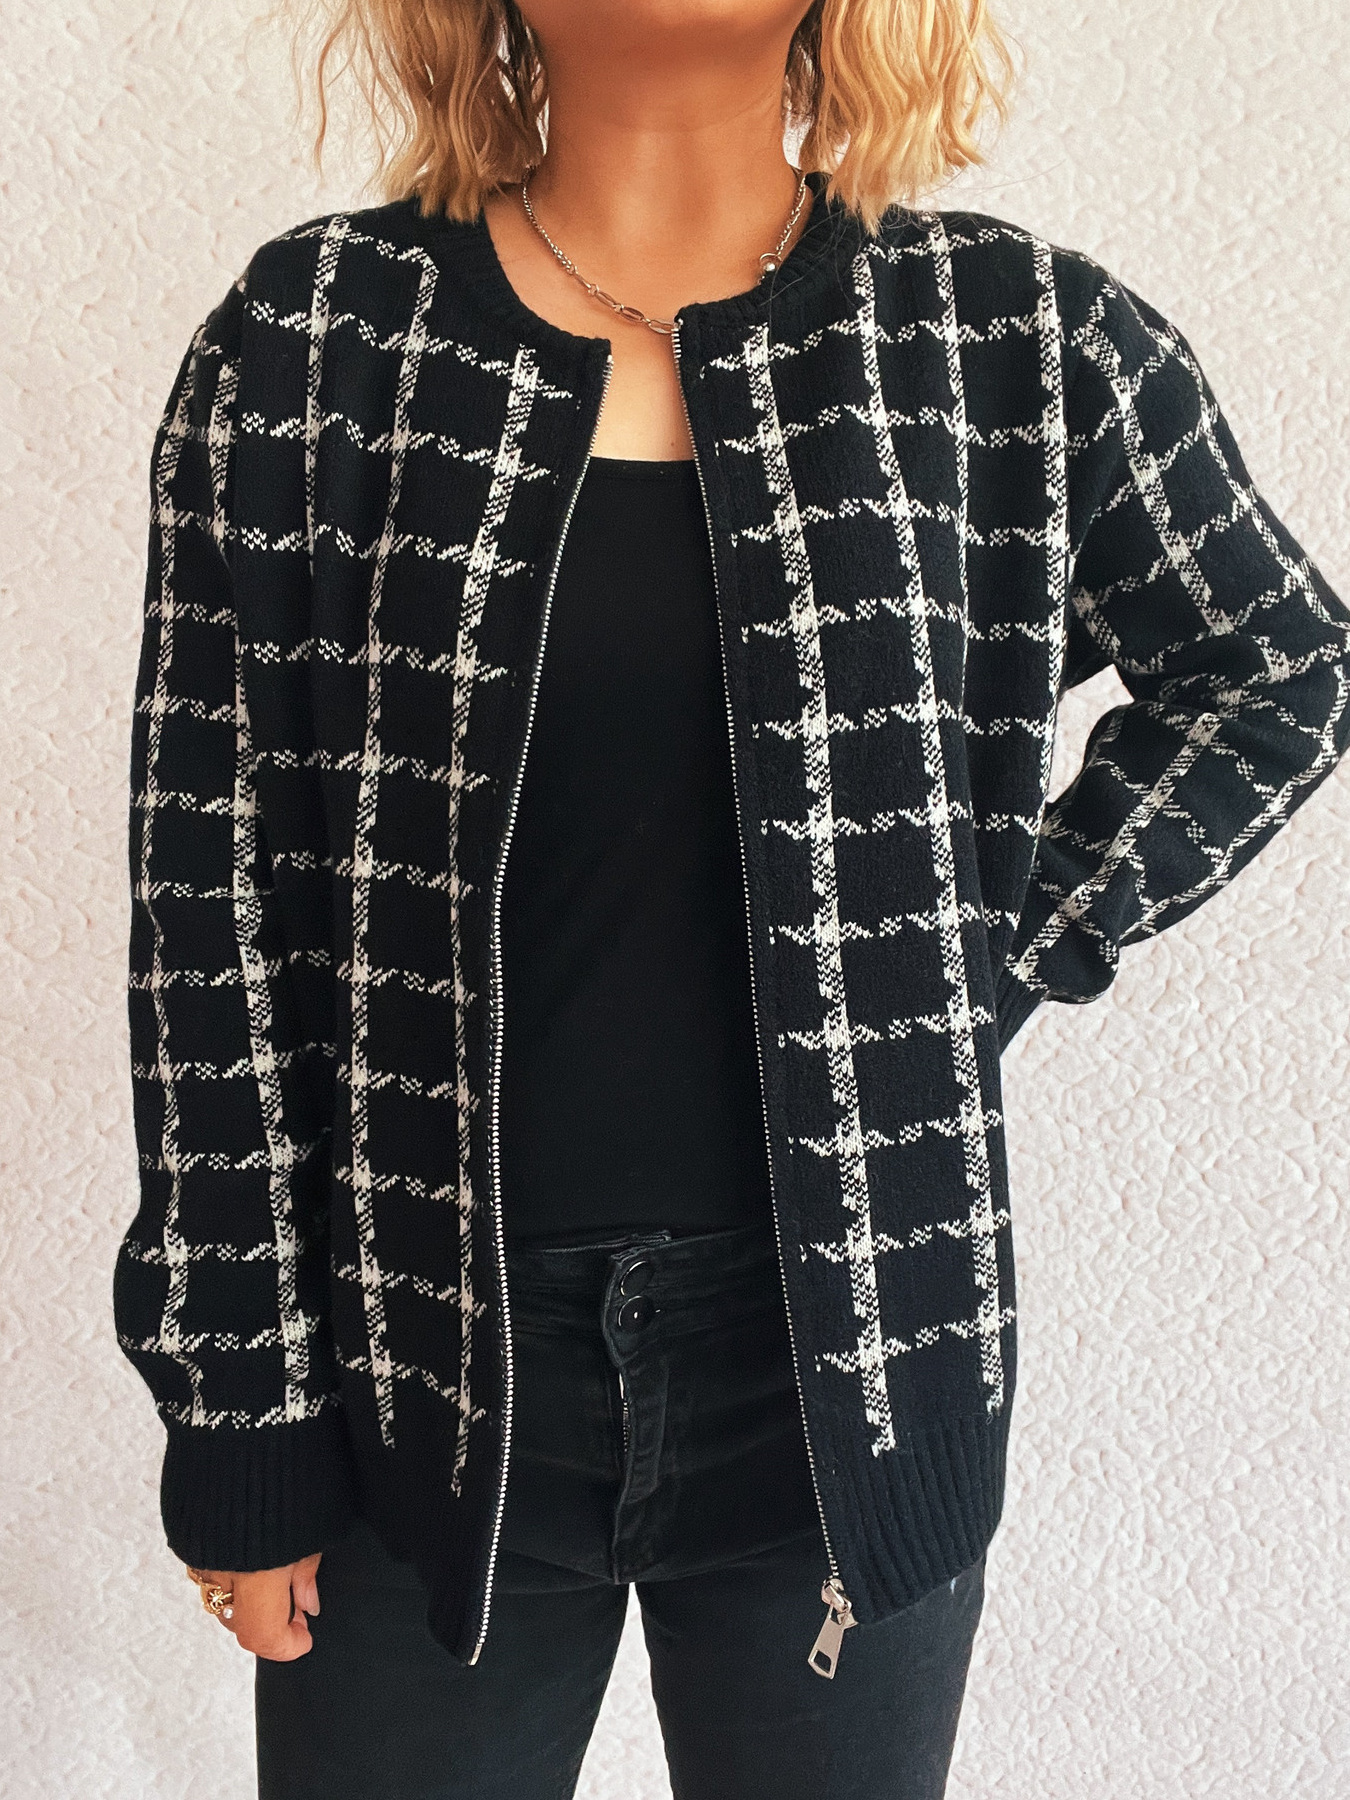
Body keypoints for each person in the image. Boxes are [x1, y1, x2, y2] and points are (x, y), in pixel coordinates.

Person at [114, 2, 1350, 1795]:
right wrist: (242, 1409)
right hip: (411, 1361)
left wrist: (997, 951)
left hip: (850, 1363)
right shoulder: (316, 340)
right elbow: (205, 916)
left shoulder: (1010, 338)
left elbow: (1275, 665)